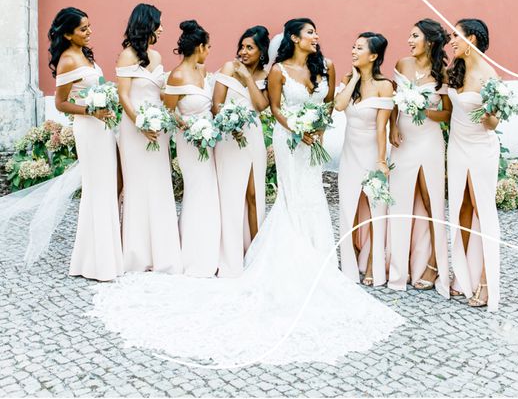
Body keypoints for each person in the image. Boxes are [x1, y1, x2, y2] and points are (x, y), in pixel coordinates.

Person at [91, 18, 403, 367]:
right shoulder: (277, 71)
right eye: (310, 32)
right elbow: (274, 108)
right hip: (290, 141)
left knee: (313, 196)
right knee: (291, 197)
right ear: (295, 38)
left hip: (310, 140)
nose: (316, 36)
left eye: (317, 31)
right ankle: (285, 259)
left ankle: (321, 262)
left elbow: (329, 103)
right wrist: (297, 130)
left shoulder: (325, 66)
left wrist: (315, 124)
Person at [50, 7, 123, 281]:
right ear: (68, 34)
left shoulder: (85, 55)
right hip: (89, 129)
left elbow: (98, 87)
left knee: (108, 186)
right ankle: (96, 262)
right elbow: (60, 103)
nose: (89, 31)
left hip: (103, 127)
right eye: (83, 29)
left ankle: (104, 256)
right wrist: (90, 111)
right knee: (97, 188)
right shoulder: (68, 60)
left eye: (89, 26)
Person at [116, 3, 182, 274]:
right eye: (159, 23)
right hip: (135, 130)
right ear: (147, 24)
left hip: (159, 131)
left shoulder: (155, 57)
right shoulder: (127, 56)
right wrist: (141, 124)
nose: (163, 28)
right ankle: (137, 253)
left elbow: (161, 94)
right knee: (138, 185)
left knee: (159, 184)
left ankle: (163, 252)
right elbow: (123, 96)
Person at [387, 19, 451, 297]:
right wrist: (392, 127)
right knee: (400, 199)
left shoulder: (442, 74)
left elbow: (447, 114)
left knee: (429, 200)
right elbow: (392, 101)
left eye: (415, 36)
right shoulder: (402, 64)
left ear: (430, 41)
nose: (409, 41)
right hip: (403, 143)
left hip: (429, 141)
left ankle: (435, 263)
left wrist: (425, 109)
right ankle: (400, 264)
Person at [447, 18, 500, 310]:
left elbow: (493, 123)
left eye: (456, 36)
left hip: (481, 148)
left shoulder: (489, 76)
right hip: (456, 147)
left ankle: (485, 280)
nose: (451, 41)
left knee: (482, 208)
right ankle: (462, 273)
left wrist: (485, 113)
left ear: (473, 39)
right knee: (461, 208)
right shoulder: (456, 69)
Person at [336, 32, 394, 287]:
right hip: (350, 154)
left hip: (372, 153)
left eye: (359, 48)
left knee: (374, 210)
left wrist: (381, 160)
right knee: (348, 208)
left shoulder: (385, 85)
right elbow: (339, 106)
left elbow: (383, 128)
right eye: (353, 46)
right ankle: (349, 265)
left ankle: (373, 264)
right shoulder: (349, 79)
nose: (353, 51)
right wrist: (354, 79)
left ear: (373, 56)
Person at [213, 26, 270, 278]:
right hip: (229, 138)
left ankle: (256, 253)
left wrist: (248, 78)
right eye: (242, 46)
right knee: (230, 194)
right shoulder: (228, 67)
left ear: (261, 51)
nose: (243, 52)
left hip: (253, 138)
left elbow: (260, 106)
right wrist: (230, 123)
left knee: (254, 194)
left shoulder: (266, 75)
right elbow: (216, 105)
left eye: (250, 47)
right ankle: (230, 255)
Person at [164, 20, 220, 277]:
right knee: (197, 191)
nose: (209, 51)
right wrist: (188, 128)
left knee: (209, 192)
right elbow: (168, 110)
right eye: (207, 47)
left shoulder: (202, 70)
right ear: (199, 47)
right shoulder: (177, 75)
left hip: (207, 143)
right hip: (189, 142)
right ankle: (192, 255)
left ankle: (209, 251)